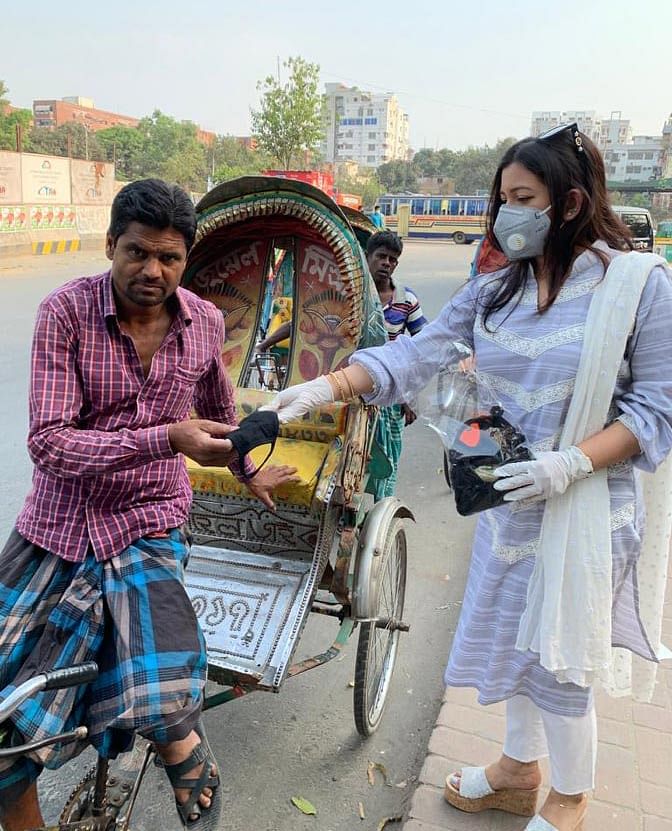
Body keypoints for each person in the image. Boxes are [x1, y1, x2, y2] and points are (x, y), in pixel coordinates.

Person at [263, 126, 672, 830]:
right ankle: (518, 770)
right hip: (510, 503)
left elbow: (658, 408)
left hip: (585, 508)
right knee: (518, 638)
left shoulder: (636, 285)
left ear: (570, 202)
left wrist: (571, 461)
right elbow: (416, 355)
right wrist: (325, 388)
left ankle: (570, 797)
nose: (505, 213)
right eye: (502, 198)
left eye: (523, 198)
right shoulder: (497, 289)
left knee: (560, 657)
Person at [0, 179, 297, 831]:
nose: (152, 270)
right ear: (110, 245)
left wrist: (246, 464)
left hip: (147, 525)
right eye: (137, 252)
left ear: (186, 260)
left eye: (169, 257)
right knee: (5, 729)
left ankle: (179, 738)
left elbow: (221, 419)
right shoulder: (65, 312)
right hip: (56, 533)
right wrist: (166, 435)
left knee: (160, 688)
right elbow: (49, 443)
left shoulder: (204, 324)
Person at [365, 230, 428, 499]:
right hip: (354, 389)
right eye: (381, 256)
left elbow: (422, 348)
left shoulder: (406, 299)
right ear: (368, 257)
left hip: (391, 391)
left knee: (389, 456)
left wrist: (410, 396)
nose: (386, 263)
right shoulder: (354, 294)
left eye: (392, 259)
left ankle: (382, 508)